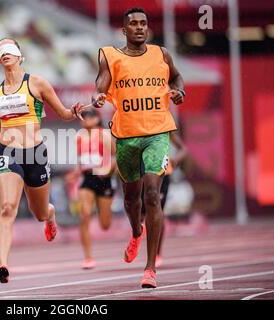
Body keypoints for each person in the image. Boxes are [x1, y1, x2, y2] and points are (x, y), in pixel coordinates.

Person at [0, 38, 84, 283]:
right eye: (0, 48)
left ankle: (50, 217)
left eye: (10, 48)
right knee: (7, 208)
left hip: (35, 153)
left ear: (19, 55)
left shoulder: (37, 83)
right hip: (7, 152)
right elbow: (1, 120)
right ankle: (3, 265)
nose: (5, 52)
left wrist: (73, 111)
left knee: (39, 212)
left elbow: (63, 114)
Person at [91, 7, 185, 288]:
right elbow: (101, 84)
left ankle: (150, 268)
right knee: (132, 200)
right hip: (126, 136)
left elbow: (177, 78)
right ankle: (135, 231)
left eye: (143, 23)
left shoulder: (162, 54)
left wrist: (180, 92)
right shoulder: (111, 55)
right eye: (133, 24)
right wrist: (97, 96)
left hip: (157, 133)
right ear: (124, 30)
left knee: (152, 196)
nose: (140, 28)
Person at [66, 108, 116, 269]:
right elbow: (81, 161)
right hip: (87, 179)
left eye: (89, 117)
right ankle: (88, 257)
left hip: (103, 179)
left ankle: (106, 216)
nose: (85, 120)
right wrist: (75, 173)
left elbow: (117, 156)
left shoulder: (105, 135)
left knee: (105, 225)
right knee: (84, 214)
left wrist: (108, 170)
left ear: (96, 119)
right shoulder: (79, 137)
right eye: (83, 117)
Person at [141, 131, 188, 267]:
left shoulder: (165, 125)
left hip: (163, 172)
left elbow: (183, 149)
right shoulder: (137, 122)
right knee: (141, 214)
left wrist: (175, 159)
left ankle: (157, 253)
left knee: (157, 211)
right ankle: (137, 235)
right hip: (142, 171)